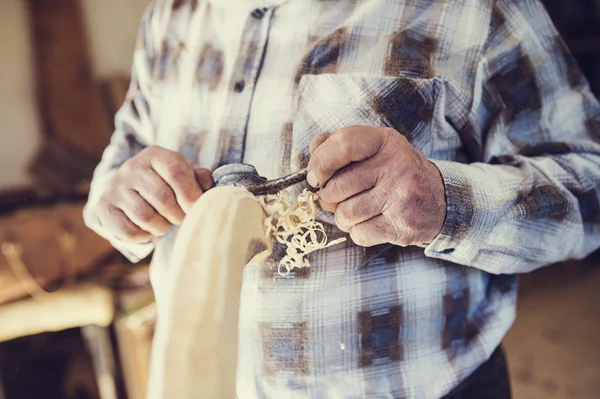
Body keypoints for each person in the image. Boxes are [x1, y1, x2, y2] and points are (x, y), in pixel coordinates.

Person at [83, 0, 600, 397]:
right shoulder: (172, 15)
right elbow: (121, 158)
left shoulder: (472, 11)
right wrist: (115, 201)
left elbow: (590, 186)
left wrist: (446, 203)